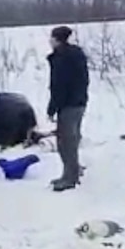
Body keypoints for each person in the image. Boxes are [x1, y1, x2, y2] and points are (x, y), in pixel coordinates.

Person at [47, 25, 89, 192]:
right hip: (79, 101)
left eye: (52, 38)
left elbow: (59, 86)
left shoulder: (61, 58)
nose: (50, 41)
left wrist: (52, 108)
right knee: (73, 138)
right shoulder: (77, 54)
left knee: (65, 142)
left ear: (57, 40)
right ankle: (74, 170)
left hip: (68, 104)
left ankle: (69, 178)